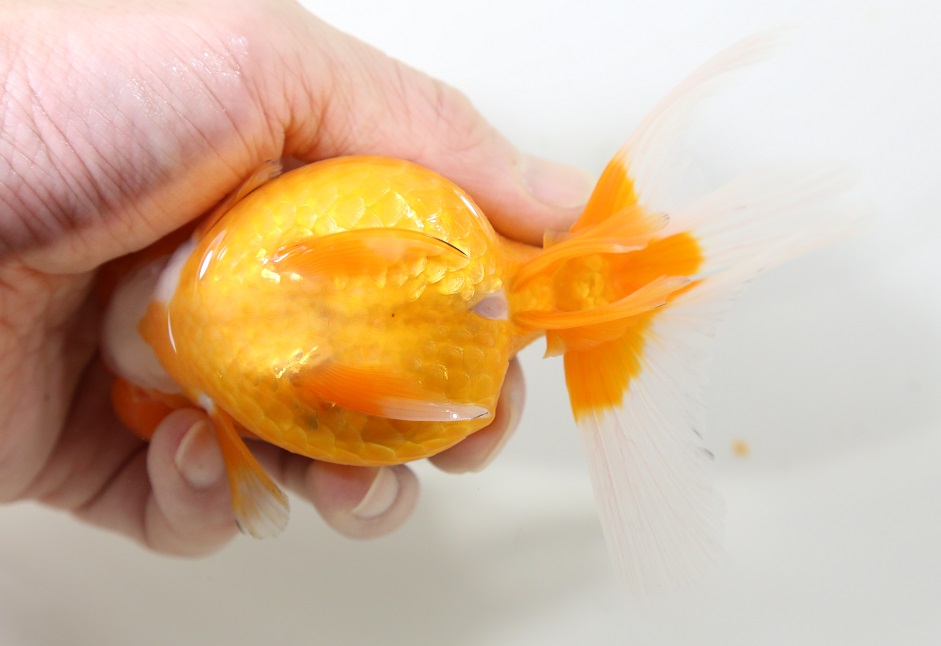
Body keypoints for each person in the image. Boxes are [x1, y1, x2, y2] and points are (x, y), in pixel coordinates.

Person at [0, 0, 592, 555]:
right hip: (437, 331)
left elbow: (262, 503)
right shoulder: (226, 244)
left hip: (445, 337)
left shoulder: (225, 362)